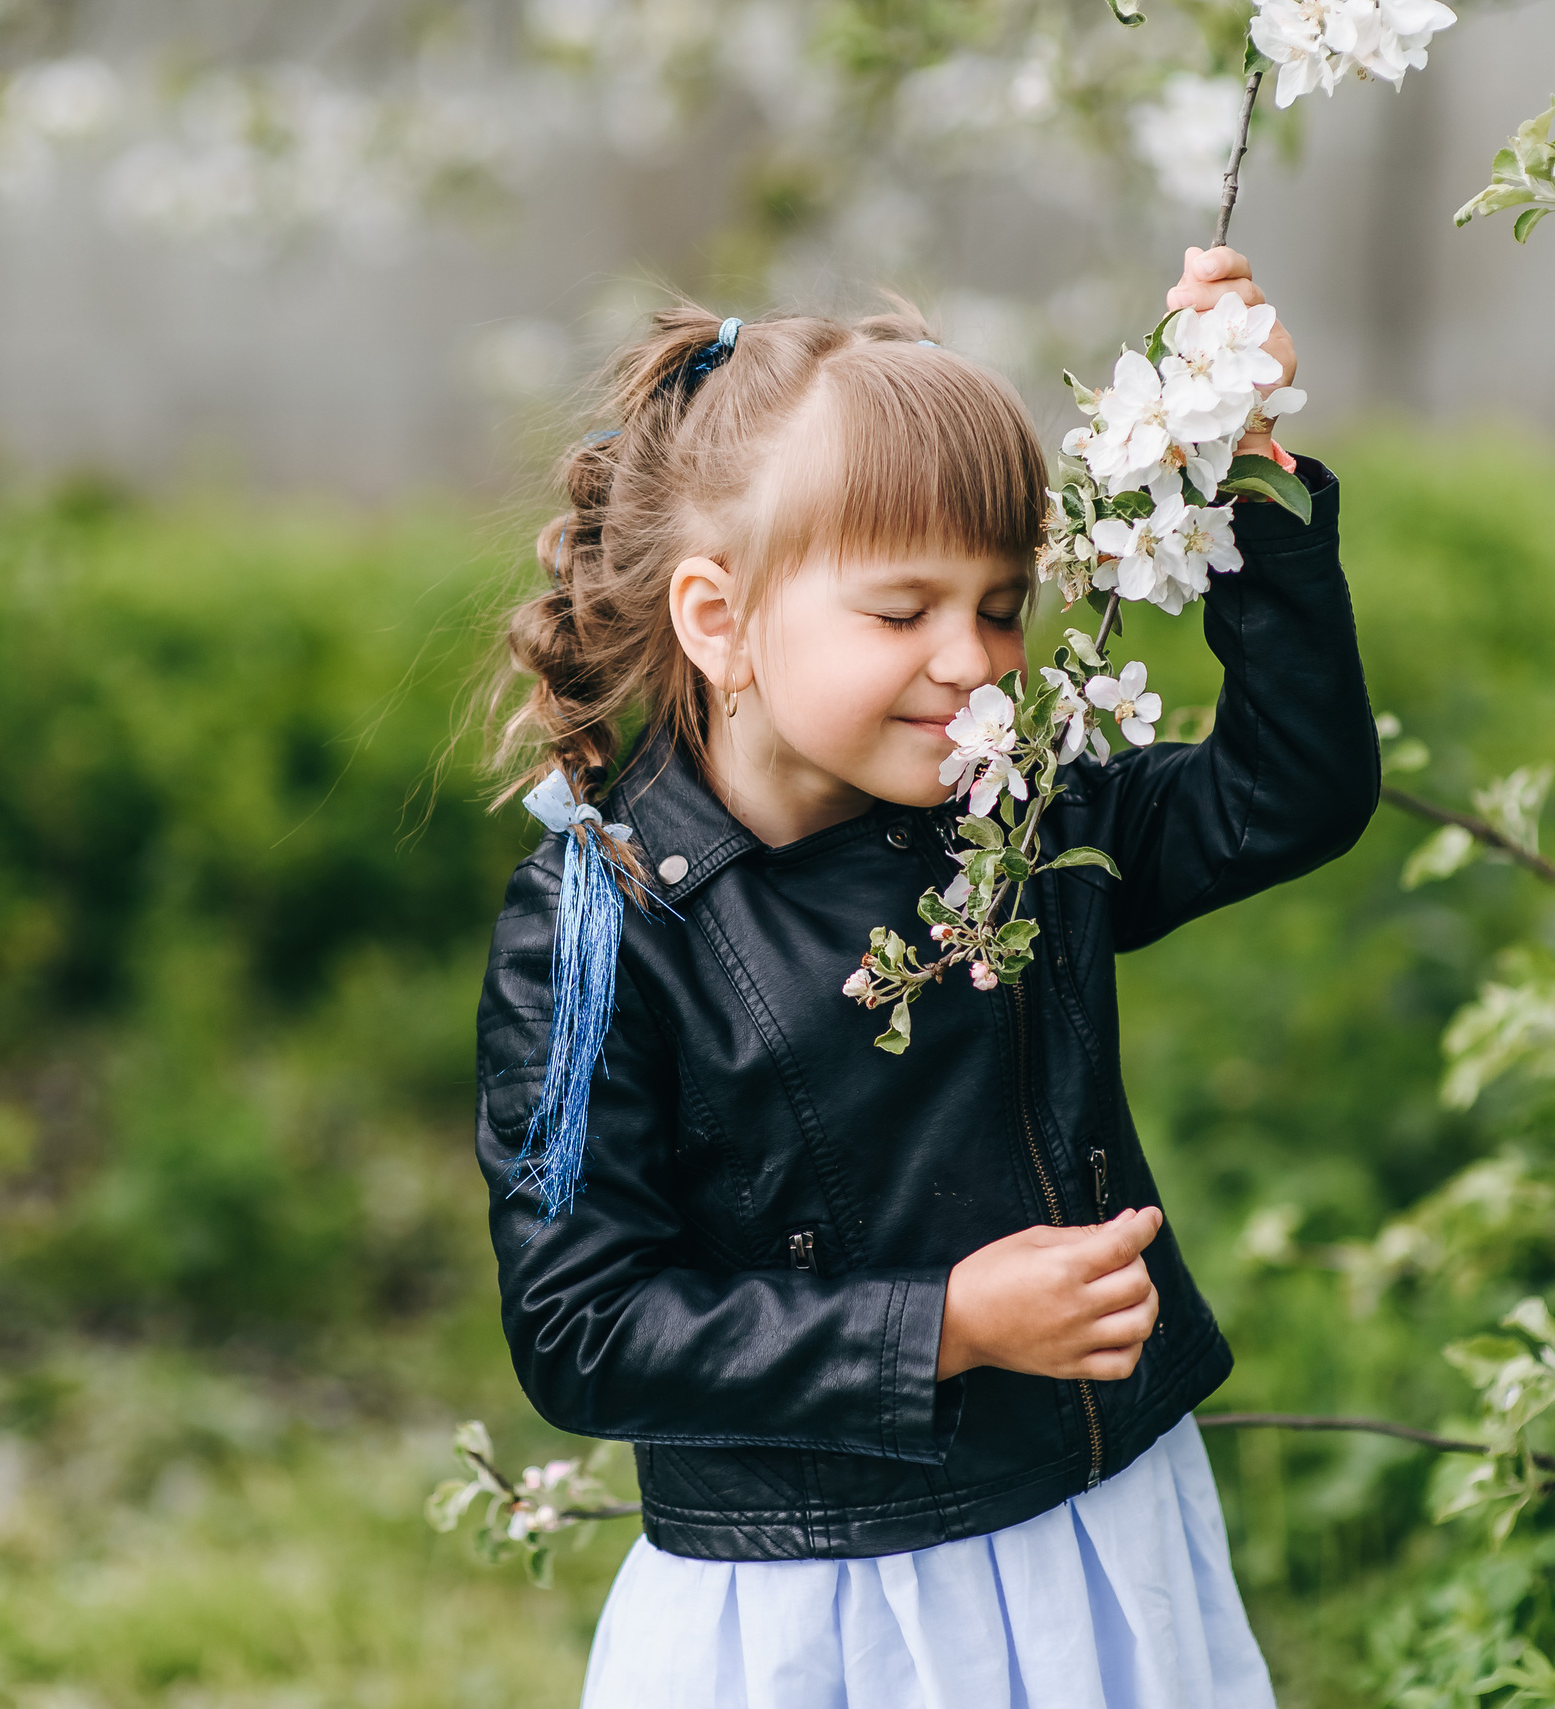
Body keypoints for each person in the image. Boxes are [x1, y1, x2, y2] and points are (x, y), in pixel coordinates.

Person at [475, 247, 1378, 1706]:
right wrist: (944, 1325)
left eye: (1005, 604)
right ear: (720, 621)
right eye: (901, 613)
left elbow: (1291, 794)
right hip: (815, 1601)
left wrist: (1243, 471)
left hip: (1093, 1529)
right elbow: (584, 1328)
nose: (974, 661)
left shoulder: (1018, 812)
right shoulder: (604, 919)